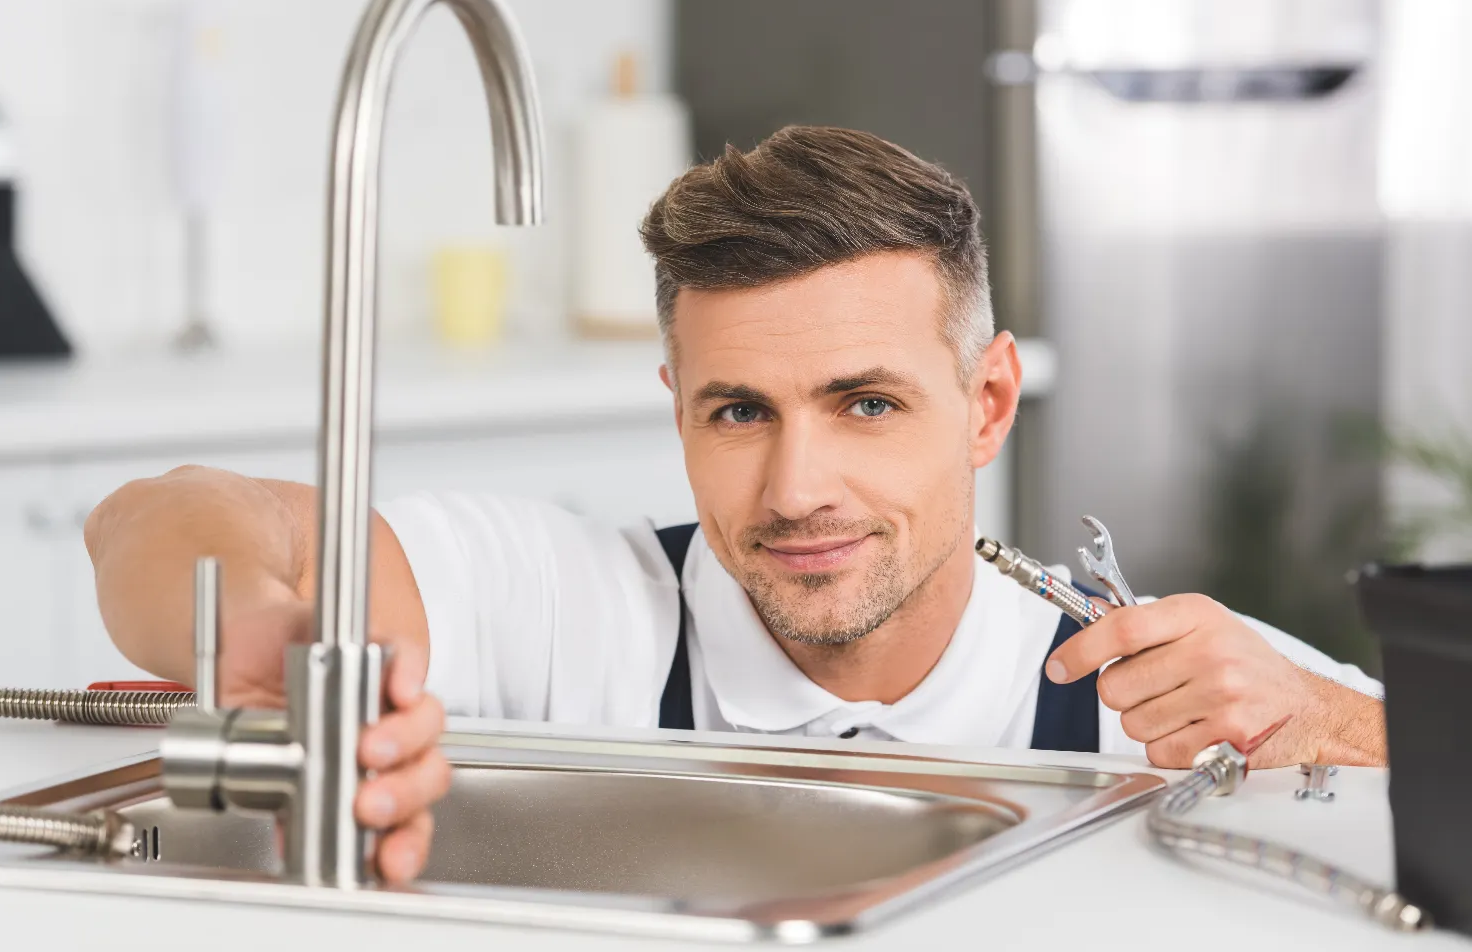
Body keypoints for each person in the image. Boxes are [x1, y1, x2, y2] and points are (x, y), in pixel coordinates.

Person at [86, 126, 1386, 884]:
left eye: (865, 404)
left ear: (985, 403)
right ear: (677, 406)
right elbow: (160, 513)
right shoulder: (567, 604)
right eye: (737, 411)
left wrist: (1334, 721)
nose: (793, 488)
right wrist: (268, 642)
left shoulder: (1168, 699)